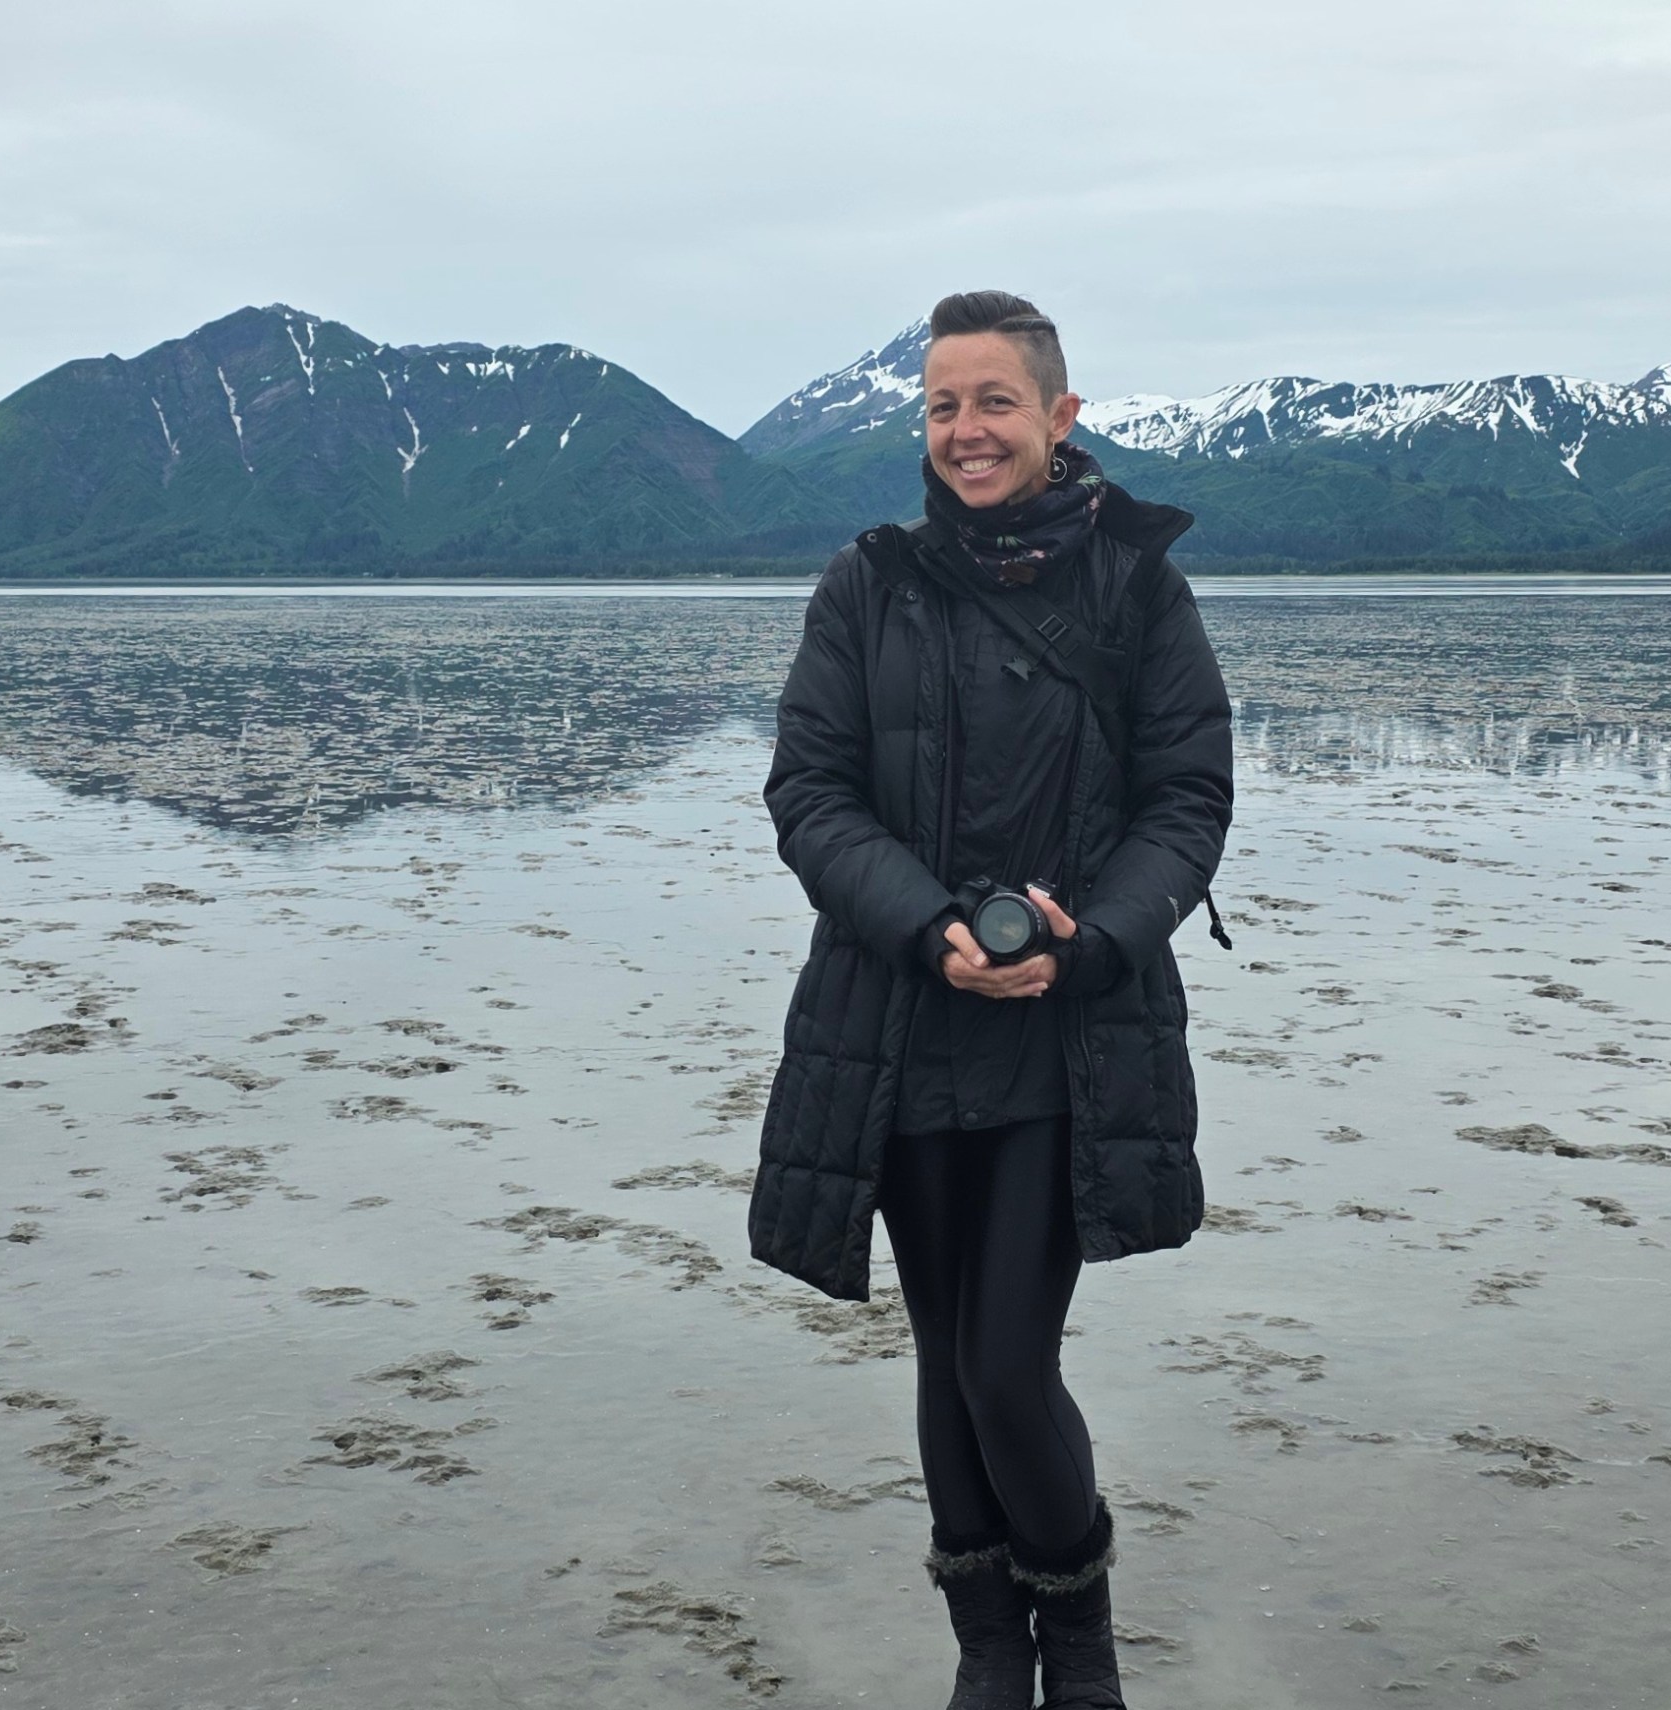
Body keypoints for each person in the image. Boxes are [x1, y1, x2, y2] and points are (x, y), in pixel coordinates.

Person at [747, 290, 1233, 1709]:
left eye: (995, 403)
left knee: (1010, 1366)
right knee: (948, 1356)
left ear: (1060, 416)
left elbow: (1188, 797)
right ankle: (984, 1650)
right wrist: (931, 925)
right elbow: (810, 791)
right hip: (899, 1026)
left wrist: (1090, 943)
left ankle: (1074, 1636)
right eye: (944, 407)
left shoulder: (1137, 587)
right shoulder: (866, 582)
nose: (968, 431)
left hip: (1068, 1037)